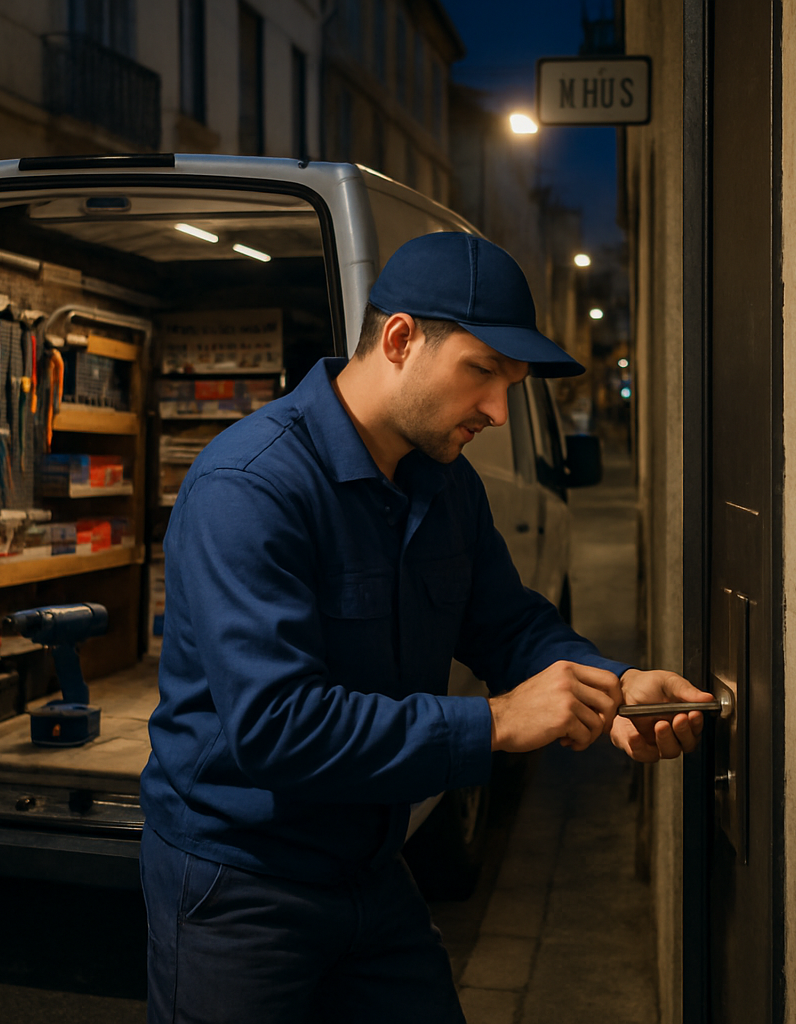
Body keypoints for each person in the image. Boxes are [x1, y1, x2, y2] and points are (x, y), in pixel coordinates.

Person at [138, 232, 712, 1023]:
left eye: (510, 384)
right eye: (482, 372)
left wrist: (612, 692)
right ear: (401, 339)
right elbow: (274, 728)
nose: (499, 411)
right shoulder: (251, 487)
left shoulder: (446, 485)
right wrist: (499, 722)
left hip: (373, 867)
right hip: (241, 883)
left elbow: (509, 627)